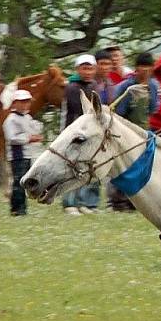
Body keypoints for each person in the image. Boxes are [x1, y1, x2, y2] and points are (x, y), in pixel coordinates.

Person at [109, 52, 160, 212]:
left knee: (140, 166)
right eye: (141, 66)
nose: (144, 70)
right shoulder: (127, 87)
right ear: (136, 68)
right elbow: (119, 112)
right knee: (124, 166)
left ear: (152, 68)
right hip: (126, 130)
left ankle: (135, 202)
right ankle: (117, 202)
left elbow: (152, 108)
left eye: (148, 66)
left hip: (143, 132)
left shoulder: (152, 86)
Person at [61, 54, 102, 215]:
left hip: (89, 133)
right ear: (78, 69)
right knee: (72, 168)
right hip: (74, 131)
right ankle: (69, 203)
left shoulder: (94, 86)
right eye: (84, 68)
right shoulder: (72, 88)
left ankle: (84, 202)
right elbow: (80, 109)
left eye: (90, 68)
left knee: (88, 167)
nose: (87, 71)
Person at [2, 90, 43, 215]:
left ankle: (21, 207)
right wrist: (29, 138)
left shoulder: (27, 117)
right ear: (14, 103)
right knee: (19, 182)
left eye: (27, 102)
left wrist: (36, 134)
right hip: (17, 156)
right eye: (22, 102)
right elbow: (11, 138)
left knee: (24, 182)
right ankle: (17, 209)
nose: (25, 105)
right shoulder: (11, 120)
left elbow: (32, 130)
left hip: (27, 154)